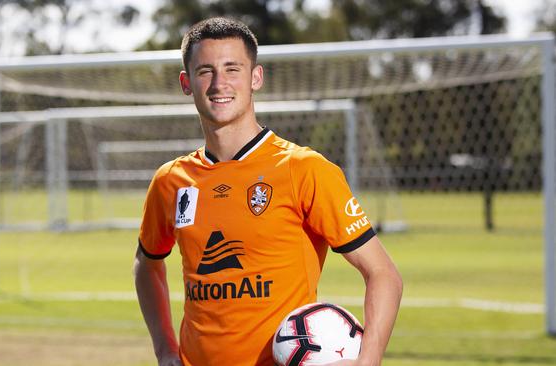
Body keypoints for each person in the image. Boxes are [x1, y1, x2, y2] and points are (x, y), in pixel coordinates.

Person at [133, 17, 403, 366]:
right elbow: (147, 262)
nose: (219, 83)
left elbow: (384, 274)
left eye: (233, 69)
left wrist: (368, 362)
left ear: (255, 77)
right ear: (187, 83)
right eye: (205, 71)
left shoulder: (304, 169)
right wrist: (165, 350)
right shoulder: (170, 180)